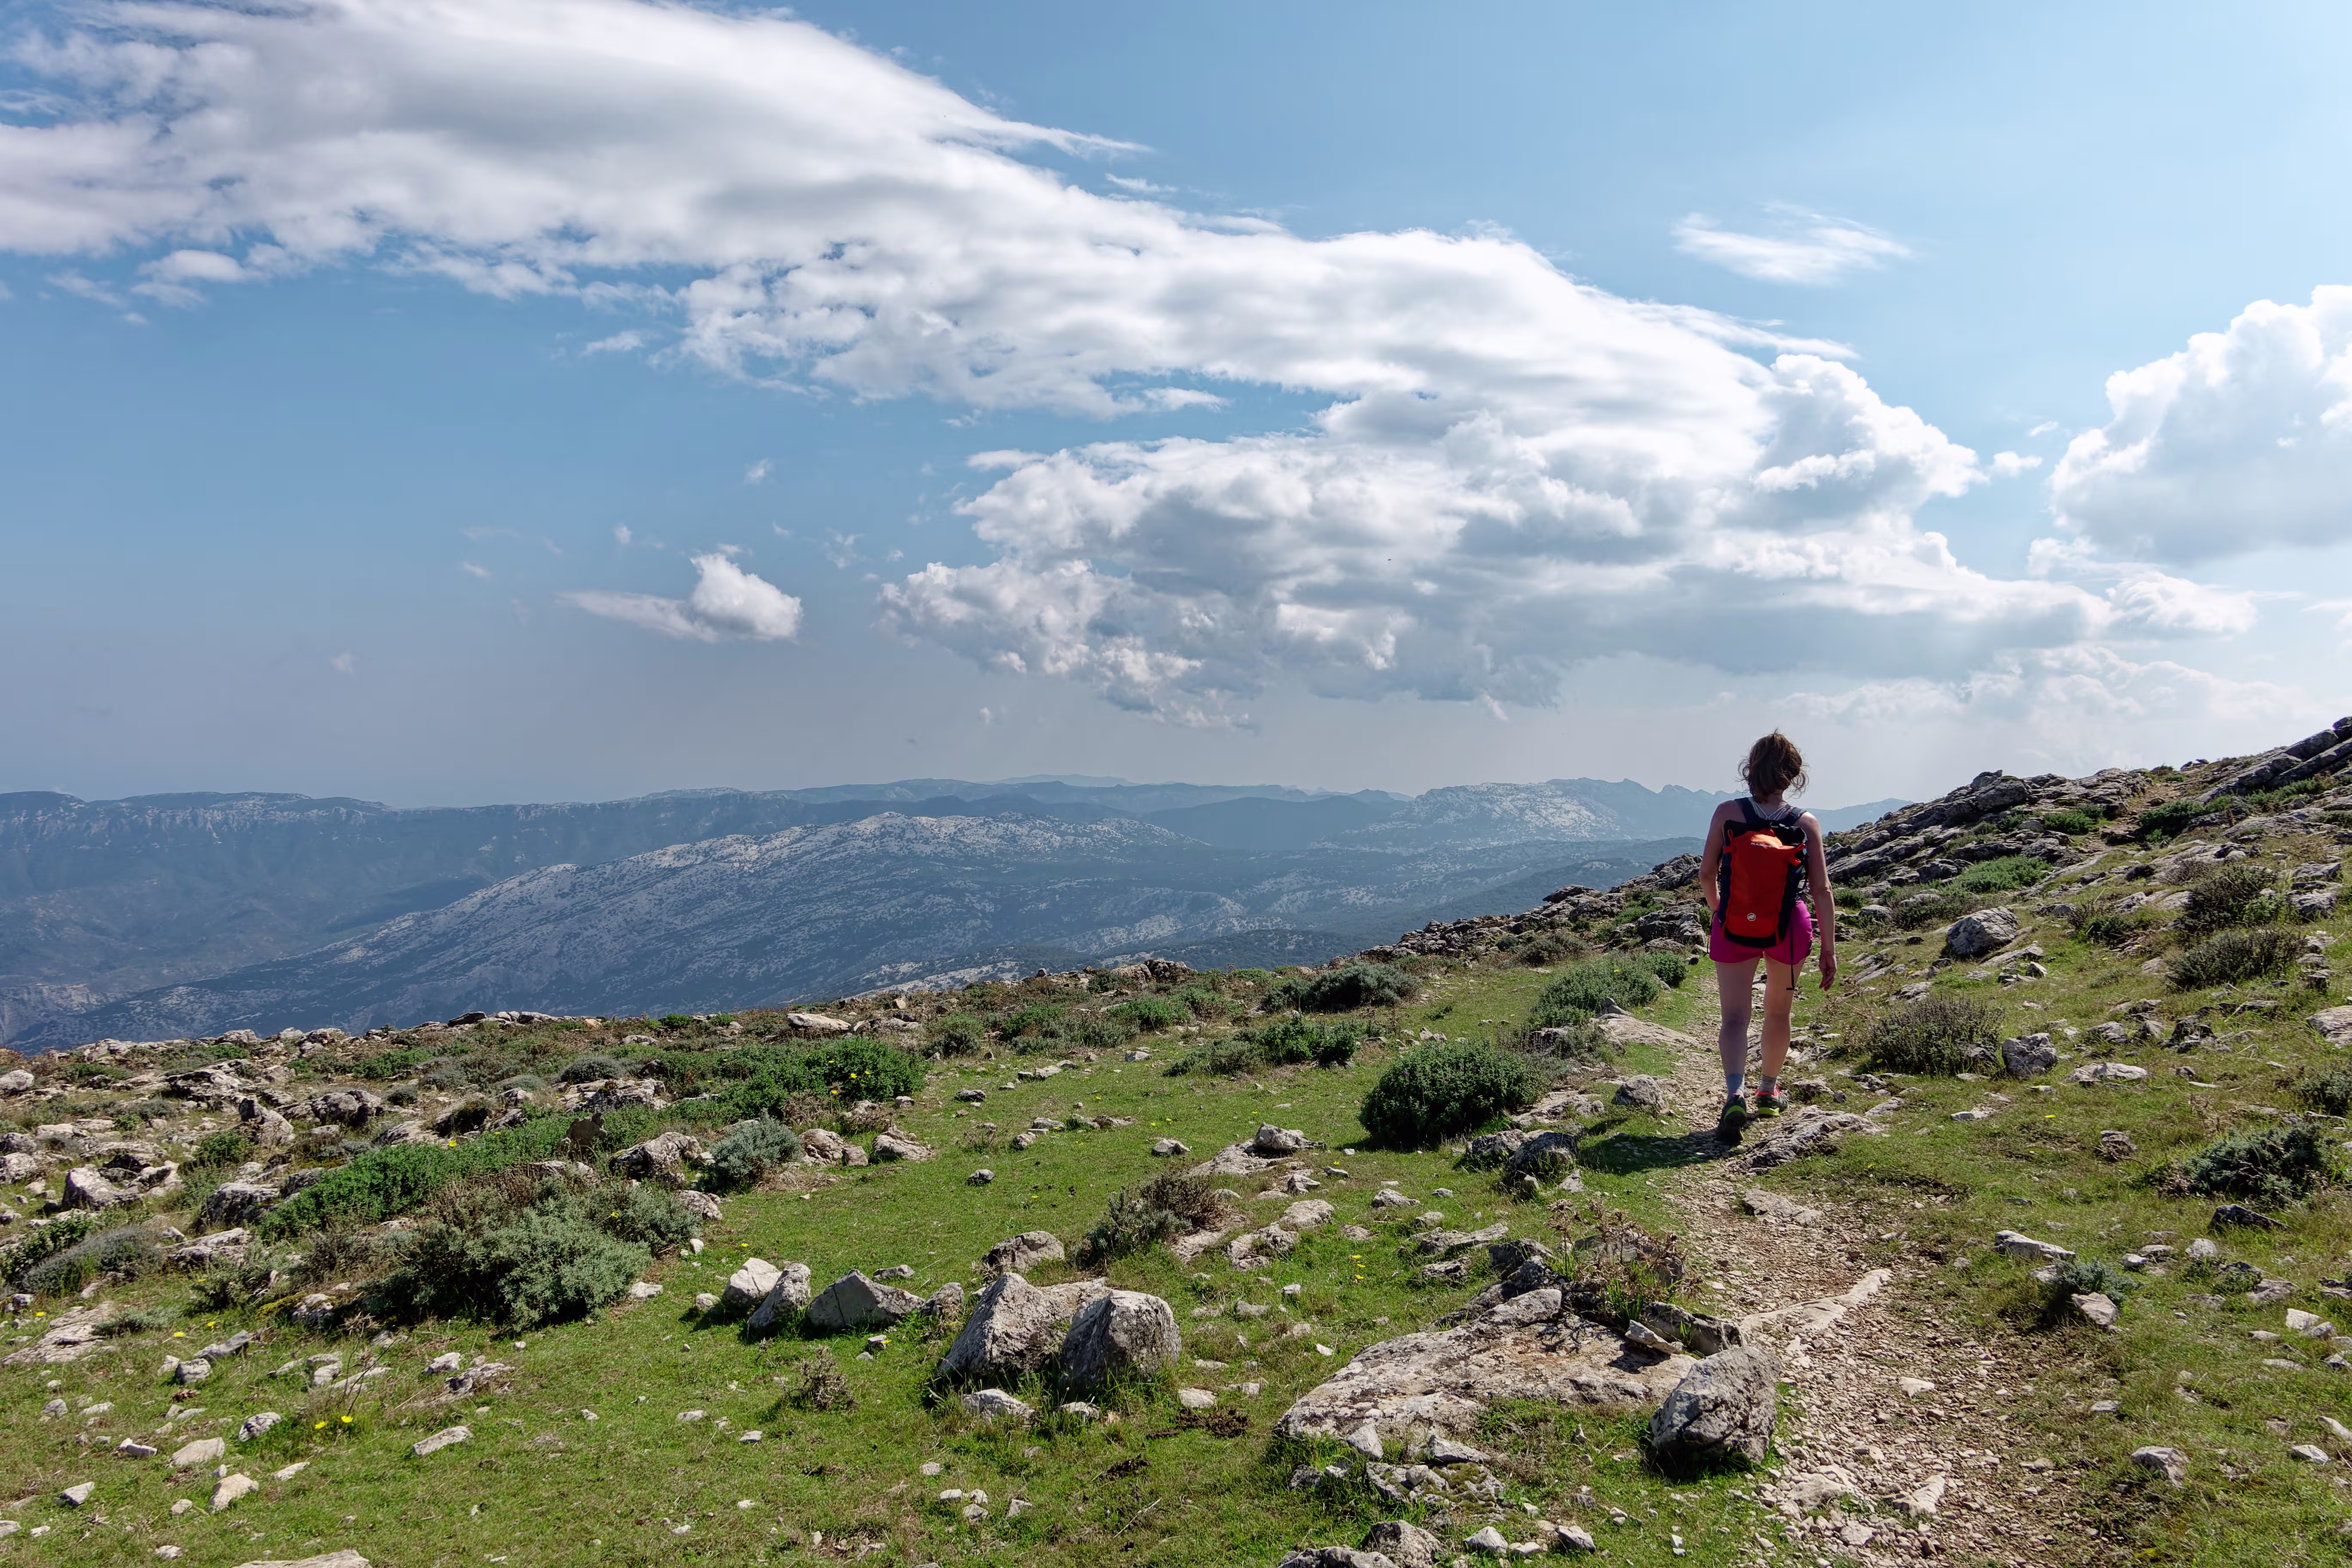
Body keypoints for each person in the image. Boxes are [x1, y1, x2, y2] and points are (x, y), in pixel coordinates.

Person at [1697, 732, 1836, 1126]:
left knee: (1734, 1018)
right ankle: (1768, 1091)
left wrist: (1722, 911)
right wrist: (1829, 949)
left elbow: (1706, 874)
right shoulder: (1805, 823)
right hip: (1789, 929)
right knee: (1778, 1012)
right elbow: (1822, 890)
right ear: (1793, 775)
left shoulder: (1727, 813)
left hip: (1734, 925)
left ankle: (1734, 1093)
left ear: (1750, 770)